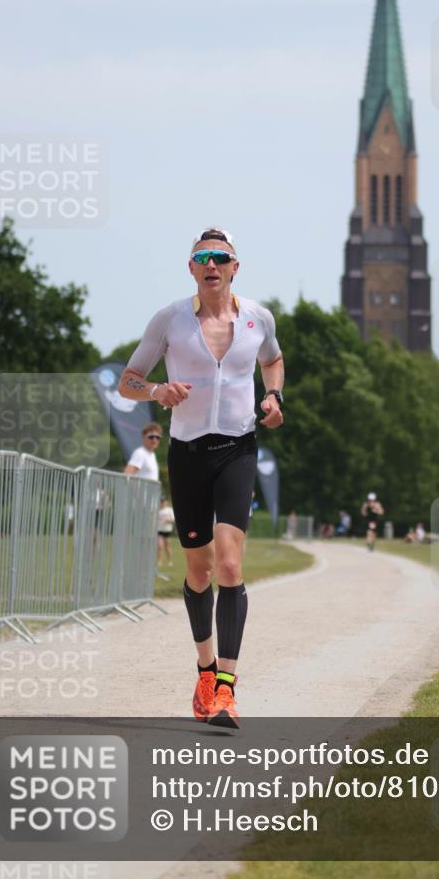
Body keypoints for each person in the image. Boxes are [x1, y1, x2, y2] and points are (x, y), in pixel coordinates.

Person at [118, 227, 284, 729]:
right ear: (191, 268)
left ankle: (227, 691)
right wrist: (156, 392)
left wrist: (275, 398)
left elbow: (272, 361)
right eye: (203, 257)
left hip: (237, 448)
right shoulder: (169, 320)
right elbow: (129, 381)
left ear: (236, 267)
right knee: (199, 572)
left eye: (221, 257)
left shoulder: (259, 320)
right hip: (187, 454)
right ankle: (205, 672)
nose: (212, 264)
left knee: (231, 566)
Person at [157, 496, 176, 567]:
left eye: (164, 501)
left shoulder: (169, 510)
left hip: (167, 530)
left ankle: (169, 561)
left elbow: (173, 519)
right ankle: (159, 561)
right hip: (159, 530)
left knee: (167, 546)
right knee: (160, 546)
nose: (162, 503)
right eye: (161, 501)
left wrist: (167, 519)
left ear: (166, 502)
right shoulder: (158, 510)